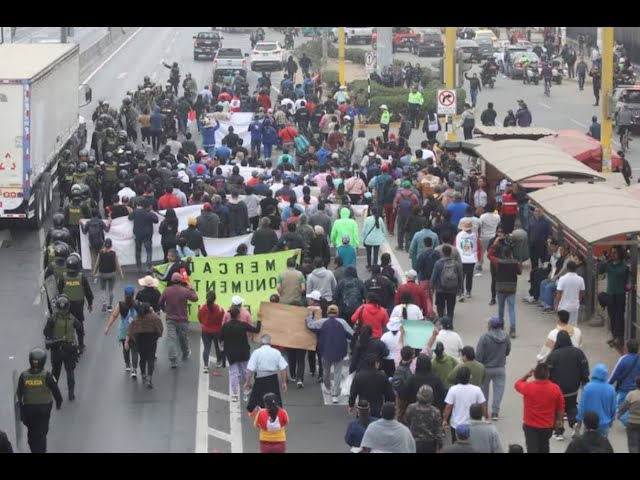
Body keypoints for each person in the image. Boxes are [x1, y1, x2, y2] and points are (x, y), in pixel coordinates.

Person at [16, 348, 62, 453]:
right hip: (44, 409)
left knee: (32, 433)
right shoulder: (47, 376)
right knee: (42, 434)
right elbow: (56, 390)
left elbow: (19, 394)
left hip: (29, 410)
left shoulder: (23, 376)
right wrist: (59, 403)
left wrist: (21, 411)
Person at [546, 330, 590, 440]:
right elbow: (584, 367)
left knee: (558, 408)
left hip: (557, 388)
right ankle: (574, 423)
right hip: (573, 387)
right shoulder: (578, 353)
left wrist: (547, 384)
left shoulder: (553, 355)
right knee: (571, 406)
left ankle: (559, 431)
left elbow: (547, 372)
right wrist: (584, 380)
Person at [306, 303, 354, 403]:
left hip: (325, 351)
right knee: (337, 373)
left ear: (327, 312)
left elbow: (310, 325)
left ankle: (327, 387)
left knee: (326, 371)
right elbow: (352, 335)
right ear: (337, 313)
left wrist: (310, 314)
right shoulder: (343, 322)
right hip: (339, 352)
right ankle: (335, 394)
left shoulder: (322, 322)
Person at [514, 363, 565, 453]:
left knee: (532, 448)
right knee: (544, 447)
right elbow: (560, 408)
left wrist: (527, 375)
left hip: (530, 426)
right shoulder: (555, 388)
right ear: (548, 374)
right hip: (547, 426)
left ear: (534, 374)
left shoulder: (528, 387)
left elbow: (517, 384)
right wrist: (559, 422)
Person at [43, 295, 82, 401]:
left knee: (55, 372)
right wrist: (80, 345)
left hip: (56, 349)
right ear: (68, 306)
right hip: (70, 349)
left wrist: (52, 338)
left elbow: (46, 332)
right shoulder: (72, 318)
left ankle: (52, 392)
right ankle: (71, 394)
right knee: (70, 372)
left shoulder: (52, 318)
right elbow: (80, 328)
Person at [220, 306, 262, 402]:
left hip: (231, 353)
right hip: (243, 352)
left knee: (233, 373)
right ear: (239, 315)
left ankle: (234, 394)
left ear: (230, 315)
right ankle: (247, 388)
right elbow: (256, 330)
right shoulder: (243, 325)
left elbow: (221, 338)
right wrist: (259, 319)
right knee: (245, 371)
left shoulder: (225, 326)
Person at [159, 272, 199, 368]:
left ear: (172, 280)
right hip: (182, 319)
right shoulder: (185, 291)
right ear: (181, 280)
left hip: (170, 319)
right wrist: (191, 288)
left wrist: (165, 310)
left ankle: (173, 360)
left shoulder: (167, 290)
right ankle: (185, 354)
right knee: (183, 338)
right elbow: (195, 298)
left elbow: (160, 302)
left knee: (171, 339)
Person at [476, 316, 510, 421]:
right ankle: (495, 412)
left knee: (484, 391)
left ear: (490, 325)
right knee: (498, 390)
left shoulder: (484, 337)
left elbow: (479, 355)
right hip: (500, 367)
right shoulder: (506, 336)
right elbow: (507, 351)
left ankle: (484, 412)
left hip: (486, 368)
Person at [58, 254, 93, 354]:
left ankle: (67, 343)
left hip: (66, 306)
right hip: (78, 306)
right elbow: (88, 292)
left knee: (66, 324)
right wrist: (90, 304)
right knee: (79, 324)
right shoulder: (82, 277)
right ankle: (81, 345)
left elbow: (58, 292)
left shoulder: (63, 277)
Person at [442, 366, 487, 443]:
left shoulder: (453, 389)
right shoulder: (477, 389)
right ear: (470, 377)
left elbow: (448, 407)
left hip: (456, 424)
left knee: (456, 446)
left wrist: (444, 420)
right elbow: (483, 405)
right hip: (472, 425)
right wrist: (486, 417)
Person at [245, 335, 288, 413]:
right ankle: (274, 411)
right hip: (273, 378)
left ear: (261, 342)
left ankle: (260, 414)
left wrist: (247, 382)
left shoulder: (256, 352)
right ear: (270, 342)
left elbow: (250, 369)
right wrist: (284, 382)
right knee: (274, 398)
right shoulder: (276, 352)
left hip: (260, 378)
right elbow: (283, 368)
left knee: (257, 400)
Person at [125, 300, 163, 389]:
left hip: (140, 341)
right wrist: (157, 337)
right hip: (152, 341)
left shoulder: (137, 319)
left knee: (143, 358)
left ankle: (143, 374)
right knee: (151, 359)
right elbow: (160, 328)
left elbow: (131, 330)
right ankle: (149, 377)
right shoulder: (154, 318)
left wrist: (129, 340)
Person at [104, 285, 140, 377]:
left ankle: (127, 364)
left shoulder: (120, 304)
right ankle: (134, 369)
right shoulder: (138, 303)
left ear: (124, 295)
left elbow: (114, 316)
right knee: (135, 349)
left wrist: (108, 327)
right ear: (133, 295)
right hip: (135, 329)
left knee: (125, 347)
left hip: (124, 329)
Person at [598, 246, 628, 347]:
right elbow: (600, 270)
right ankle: (614, 337)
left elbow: (627, 276)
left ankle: (619, 339)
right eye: (612, 252)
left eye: (615, 252)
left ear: (619, 253)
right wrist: (605, 260)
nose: (613, 254)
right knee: (612, 316)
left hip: (620, 294)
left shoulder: (624, 266)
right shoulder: (609, 265)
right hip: (610, 294)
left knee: (619, 317)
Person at [609, 339, 640, 427]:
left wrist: (608, 384)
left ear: (627, 348)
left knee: (620, 408)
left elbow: (615, 374)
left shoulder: (623, 359)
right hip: (637, 389)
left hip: (624, 389)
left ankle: (630, 423)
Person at [405, 385, 443, 453]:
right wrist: (440, 444)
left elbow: (407, 421)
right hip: (429, 444)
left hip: (414, 441)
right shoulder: (435, 411)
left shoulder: (411, 407)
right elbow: (438, 431)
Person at [430, 245, 463, 322]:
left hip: (440, 289)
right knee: (450, 309)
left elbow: (434, 276)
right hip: (452, 290)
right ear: (451, 253)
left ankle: (441, 324)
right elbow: (460, 276)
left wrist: (431, 286)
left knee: (440, 308)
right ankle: (449, 324)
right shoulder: (456, 264)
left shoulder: (438, 263)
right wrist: (461, 288)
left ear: (442, 253)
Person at [92, 238, 124, 312]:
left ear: (104, 244)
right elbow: (117, 265)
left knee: (103, 289)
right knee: (111, 290)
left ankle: (104, 303)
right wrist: (121, 274)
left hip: (103, 274)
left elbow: (97, 264)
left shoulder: (100, 253)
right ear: (111, 245)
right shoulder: (113, 253)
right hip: (112, 274)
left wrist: (94, 272)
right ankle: (110, 306)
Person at [128, 199, 159, 272]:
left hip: (138, 234)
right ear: (149, 206)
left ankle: (139, 266)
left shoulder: (136, 211)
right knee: (149, 251)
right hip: (147, 235)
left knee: (138, 251)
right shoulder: (149, 214)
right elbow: (156, 220)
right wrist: (153, 212)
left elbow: (130, 217)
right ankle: (148, 266)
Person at [198, 291, 225, 373]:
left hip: (205, 331)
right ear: (215, 299)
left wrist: (204, 324)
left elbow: (199, 318)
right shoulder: (219, 308)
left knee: (206, 348)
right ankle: (218, 361)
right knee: (218, 347)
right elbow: (222, 319)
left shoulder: (202, 308)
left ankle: (206, 366)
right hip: (217, 331)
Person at [554, 261, 585, 327]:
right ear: (575, 268)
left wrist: (557, 305)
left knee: (562, 325)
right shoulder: (580, 279)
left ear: (567, 269)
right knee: (573, 325)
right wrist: (578, 300)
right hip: (574, 306)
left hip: (564, 306)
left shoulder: (562, 279)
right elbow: (582, 292)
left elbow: (558, 293)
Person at [618, 376, 640, 453]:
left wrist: (619, 414)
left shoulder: (632, 394)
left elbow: (624, 407)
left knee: (633, 445)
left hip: (632, 422)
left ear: (636, 384)